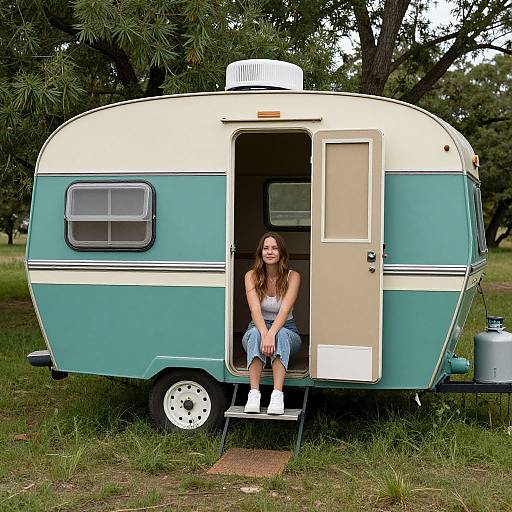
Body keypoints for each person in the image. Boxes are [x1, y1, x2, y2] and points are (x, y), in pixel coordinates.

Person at [242, 232, 301, 415]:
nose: (270, 252)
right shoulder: (251, 276)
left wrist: (270, 334)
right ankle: (254, 394)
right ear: (260, 253)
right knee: (254, 334)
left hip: (287, 329)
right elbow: (255, 311)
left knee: (281, 334)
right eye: (266, 248)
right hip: (257, 327)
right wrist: (264, 333)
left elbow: (284, 310)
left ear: (281, 253)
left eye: (274, 248)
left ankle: (277, 394)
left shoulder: (293, 277)